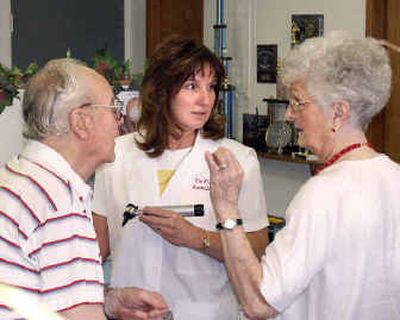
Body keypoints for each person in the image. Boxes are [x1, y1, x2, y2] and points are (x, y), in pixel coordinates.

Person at [205, 30, 400, 320]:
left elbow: (259, 302)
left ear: (338, 112)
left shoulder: (324, 193)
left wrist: (227, 209)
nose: (288, 115)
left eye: (298, 102)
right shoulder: (394, 176)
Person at [92, 36, 269, 319]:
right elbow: (95, 250)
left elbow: (257, 250)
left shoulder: (236, 160)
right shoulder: (115, 156)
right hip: (132, 313)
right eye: (191, 86)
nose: (205, 99)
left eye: (211, 87)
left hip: (204, 312)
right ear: (162, 91)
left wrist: (196, 238)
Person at [0, 58, 168, 319]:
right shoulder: (57, 202)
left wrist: (107, 302)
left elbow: (44, 298)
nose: (120, 122)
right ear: (81, 122)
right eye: (114, 109)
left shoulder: (21, 180)